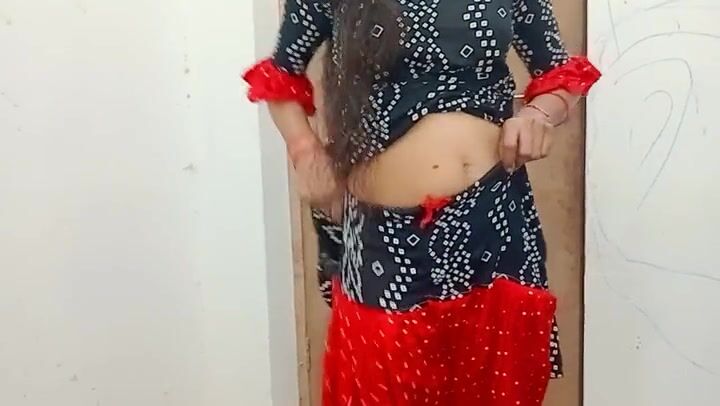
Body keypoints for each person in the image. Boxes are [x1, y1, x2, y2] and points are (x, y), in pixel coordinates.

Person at [244, 0, 600, 404]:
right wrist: (305, 149)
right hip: (386, 245)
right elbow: (281, 74)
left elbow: (558, 75)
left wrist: (538, 115)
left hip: (493, 224)